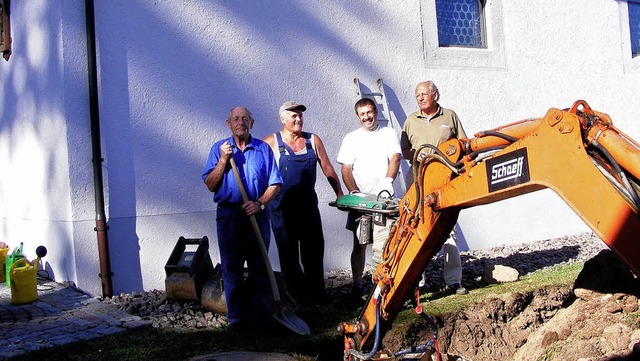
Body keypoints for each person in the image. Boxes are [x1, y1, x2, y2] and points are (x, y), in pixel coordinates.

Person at [202, 106, 283, 332]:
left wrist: (260, 203)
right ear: (229, 123)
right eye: (236, 119)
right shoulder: (219, 149)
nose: (241, 122)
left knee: (259, 265)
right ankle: (236, 319)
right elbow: (210, 184)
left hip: (256, 213)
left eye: (245, 119)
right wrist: (222, 160)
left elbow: (275, 183)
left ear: (252, 123)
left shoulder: (263, 149)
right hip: (229, 215)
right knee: (231, 266)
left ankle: (258, 317)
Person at [263, 101, 344, 305]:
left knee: (314, 252)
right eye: (294, 115)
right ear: (283, 119)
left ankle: (316, 298)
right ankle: (296, 300)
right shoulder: (271, 143)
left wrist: (340, 194)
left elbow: (327, 168)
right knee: (288, 255)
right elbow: (258, 171)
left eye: (300, 115)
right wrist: (259, 201)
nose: (298, 118)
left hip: (307, 207)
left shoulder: (313, 140)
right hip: (281, 209)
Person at [400, 80, 469, 295]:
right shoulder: (411, 121)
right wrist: (415, 154)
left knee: (448, 229)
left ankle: (453, 281)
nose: (420, 98)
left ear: (435, 95)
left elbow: (464, 144)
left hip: (445, 180)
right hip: (419, 182)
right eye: (417, 95)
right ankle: (417, 283)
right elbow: (404, 149)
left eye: (424, 94)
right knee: (417, 228)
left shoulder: (449, 116)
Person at [337, 97, 402, 297]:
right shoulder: (351, 138)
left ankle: (382, 285)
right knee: (359, 244)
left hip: (383, 200)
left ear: (376, 112)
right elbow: (346, 168)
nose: (367, 117)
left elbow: (395, 157)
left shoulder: (388, 133)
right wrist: (353, 191)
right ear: (358, 117)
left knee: (385, 243)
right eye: (362, 114)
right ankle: (357, 284)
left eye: (369, 112)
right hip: (361, 202)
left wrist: (388, 182)